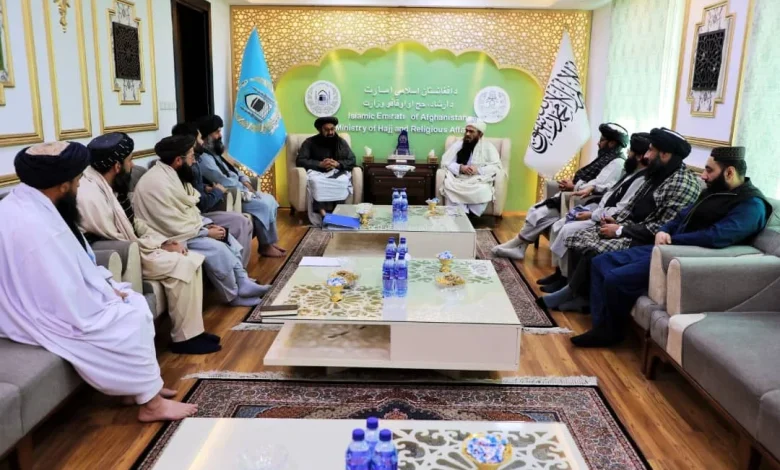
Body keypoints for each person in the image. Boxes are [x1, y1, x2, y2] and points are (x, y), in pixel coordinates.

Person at [0, 142, 197, 421]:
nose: (80, 185)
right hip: (39, 311)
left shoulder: (32, 202)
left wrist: (107, 287)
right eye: (78, 179)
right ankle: (151, 404)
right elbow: (58, 292)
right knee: (129, 318)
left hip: (51, 299)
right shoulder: (33, 224)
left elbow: (74, 264)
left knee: (133, 301)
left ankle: (137, 388)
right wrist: (104, 296)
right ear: (63, 185)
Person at [572, 146, 771, 347]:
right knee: (600, 262)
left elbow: (716, 236)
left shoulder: (752, 205)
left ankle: (610, 333)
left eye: (709, 170)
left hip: (686, 257)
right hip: (667, 247)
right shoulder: (714, 191)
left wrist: (673, 240)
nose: (703, 176)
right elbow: (681, 216)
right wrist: (664, 230)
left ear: (729, 172)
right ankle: (601, 327)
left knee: (616, 279)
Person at [77, 132, 220, 355]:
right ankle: (184, 339)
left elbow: (134, 223)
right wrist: (158, 246)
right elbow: (119, 237)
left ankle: (193, 332)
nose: (133, 165)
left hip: (137, 245)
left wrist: (164, 241)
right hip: (125, 254)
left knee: (190, 258)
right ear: (116, 166)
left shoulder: (111, 185)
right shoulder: (91, 196)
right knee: (183, 263)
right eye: (130, 160)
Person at [540, 127, 702, 312]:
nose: (646, 156)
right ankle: (577, 293)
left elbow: (662, 228)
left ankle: (575, 295)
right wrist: (614, 221)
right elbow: (631, 206)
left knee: (593, 248)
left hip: (644, 240)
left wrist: (619, 230)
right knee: (580, 237)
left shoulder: (683, 184)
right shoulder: (658, 174)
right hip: (629, 227)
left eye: (651, 151)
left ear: (665, 154)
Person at [132, 135, 268, 307]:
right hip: (169, 237)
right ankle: (233, 296)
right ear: (178, 160)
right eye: (191, 155)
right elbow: (170, 223)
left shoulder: (172, 174)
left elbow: (186, 212)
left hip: (186, 230)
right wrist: (205, 232)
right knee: (217, 249)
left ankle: (243, 282)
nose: (194, 160)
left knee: (226, 236)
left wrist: (206, 224)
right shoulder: (157, 183)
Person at [493, 123, 629, 260]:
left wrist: (574, 186)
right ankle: (519, 247)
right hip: (573, 195)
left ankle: (516, 244)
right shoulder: (606, 157)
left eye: (602, 140)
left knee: (540, 214)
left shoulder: (617, 163)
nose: (598, 143)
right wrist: (573, 184)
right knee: (536, 209)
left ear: (612, 143)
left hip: (586, 202)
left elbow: (599, 186)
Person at [537, 132, 651, 294]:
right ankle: (559, 273)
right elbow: (610, 188)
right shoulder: (631, 172)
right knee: (558, 225)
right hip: (597, 210)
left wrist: (591, 215)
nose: (627, 153)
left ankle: (565, 279)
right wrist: (591, 190)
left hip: (604, 218)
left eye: (631, 151)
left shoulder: (641, 179)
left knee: (567, 230)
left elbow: (621, 209)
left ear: (639, 156)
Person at [196, 114, 284, 258]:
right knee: (263, 206)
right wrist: (242, 185)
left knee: (270, 199)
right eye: (217, 132)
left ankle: (270, 242)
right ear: (206, 135)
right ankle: (265, 245)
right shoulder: (204, 159)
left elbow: (234, 170)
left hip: (242, 190)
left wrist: (245, 180)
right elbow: (223, 180)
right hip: (232, 195)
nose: (220, 135)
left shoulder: (214, 152)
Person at [171, 122, 254, 267]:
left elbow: (194, 189)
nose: (202, 141)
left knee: (244, 221)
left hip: (199, 216)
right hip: (197, 218)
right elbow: (202, 204)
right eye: (199, 138)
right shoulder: (185, 167)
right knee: (241, 222)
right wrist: (217, 191)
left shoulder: (194, 161)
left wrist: (205, 187)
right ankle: (239, 271)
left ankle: (241, 271)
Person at [295, 116, 357, 224]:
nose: (330, 132)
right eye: (327, 130)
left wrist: (338, 164)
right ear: (320, 130)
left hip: (336, 171)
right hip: (317, 172)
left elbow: (352, 159)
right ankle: (324, 215)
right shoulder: (310, 142)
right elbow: (300, 160)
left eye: (332, 129)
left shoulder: (341, 142)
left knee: (342, 181)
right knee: (316, 182)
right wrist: (319, 164)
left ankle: (338, 214)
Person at [439, 119, 503, 217]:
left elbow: (496, 166)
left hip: (478, 180)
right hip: (459, 179)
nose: (467, 134)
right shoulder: (458, 145)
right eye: (466, 131)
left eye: (471, 131)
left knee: (483, 189)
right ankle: (459, 214)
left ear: (480, 134)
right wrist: (460, 167)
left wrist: (478, 170)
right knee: (449, 185)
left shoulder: (488, 147)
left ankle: (471, 216)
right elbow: (446, 162)